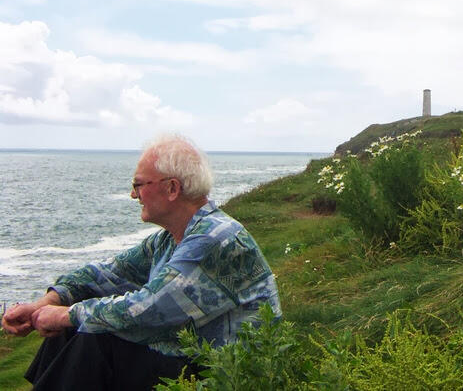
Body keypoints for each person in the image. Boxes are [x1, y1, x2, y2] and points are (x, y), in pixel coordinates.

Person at [1, 134, 282, 390]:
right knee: (77, 328)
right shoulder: (171, 238)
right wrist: (47, 303)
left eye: (138, 185)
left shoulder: (216, 238)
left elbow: (150, 308)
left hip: (226, 374)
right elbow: (109, 273)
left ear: (172, 188)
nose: (133, 194)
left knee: (96, 338)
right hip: (189, 355)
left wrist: (66, 314)